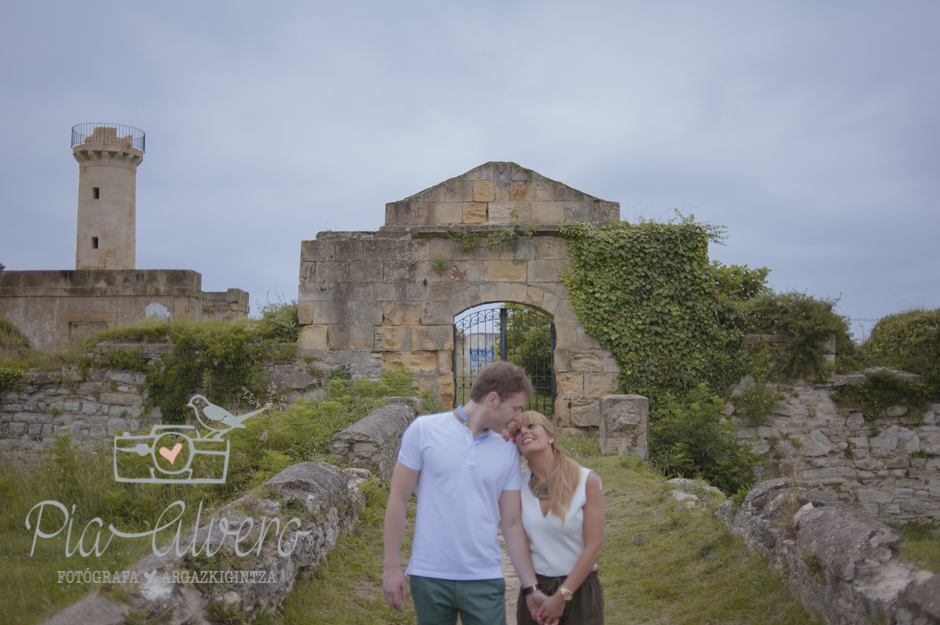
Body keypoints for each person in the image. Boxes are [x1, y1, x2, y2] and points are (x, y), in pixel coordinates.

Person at [383, 361, 552, 625]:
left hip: (484, 578)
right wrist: (391, 567)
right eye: (516, 408)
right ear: (492, 400)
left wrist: (531, 588)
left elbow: (511, 523)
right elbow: (398, 499)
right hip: (429, 576)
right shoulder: (423, 430)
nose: (518, 418)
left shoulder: (507, 449)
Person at [508, 411, 605, 625]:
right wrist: (532, 590)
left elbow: (594, 547)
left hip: (580, 590)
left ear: (551, 436)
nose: (523, 432)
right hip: (535, 590)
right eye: (517, 432)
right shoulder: (515, 485)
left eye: (531, 426)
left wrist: (562, 596)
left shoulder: (585, 480)